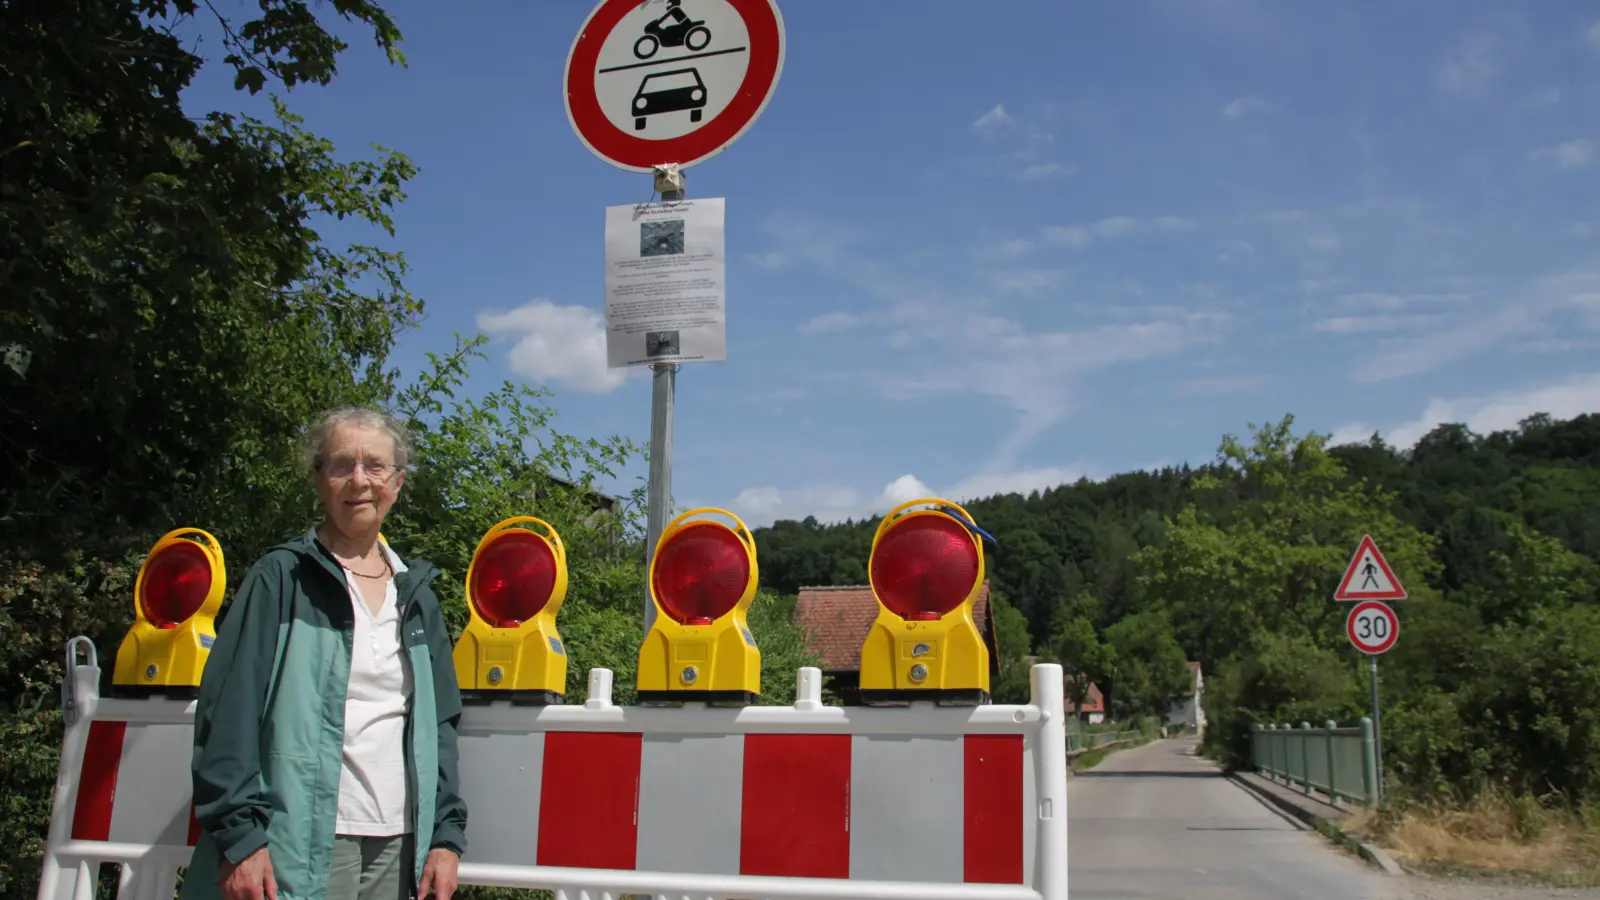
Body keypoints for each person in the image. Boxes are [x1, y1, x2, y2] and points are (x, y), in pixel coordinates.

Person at [181, 407, 467, 900]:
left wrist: (445, 835)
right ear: (319, 481)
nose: (360, 480)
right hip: (298, 840)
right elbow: (228, 711)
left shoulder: (416, 595)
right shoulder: (281, 578)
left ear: (397, 483)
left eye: (375, 466)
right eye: (341, 464)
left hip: (400, 843)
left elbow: (440, 726)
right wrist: (240, 839)